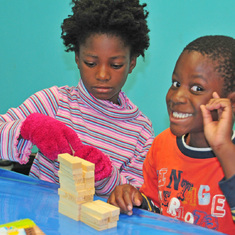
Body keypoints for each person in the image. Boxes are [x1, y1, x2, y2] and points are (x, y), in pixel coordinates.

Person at [0, 0, 154, 197]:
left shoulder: (141, 131)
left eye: (115, 65)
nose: (103, 75)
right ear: (77, 58)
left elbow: (134, 198)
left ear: (132, 63)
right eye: (91, 63)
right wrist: (28, 129)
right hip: (38, 222)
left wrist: (105, 176)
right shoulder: (55, 102)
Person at [108, 35, 235, 234]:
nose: (177, 97)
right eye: (176, 84)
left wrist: (223, 148)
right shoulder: (162, 145)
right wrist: (134, 199)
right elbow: (157, 207)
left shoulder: (231, 157)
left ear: (231, 103)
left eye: (197, 88)